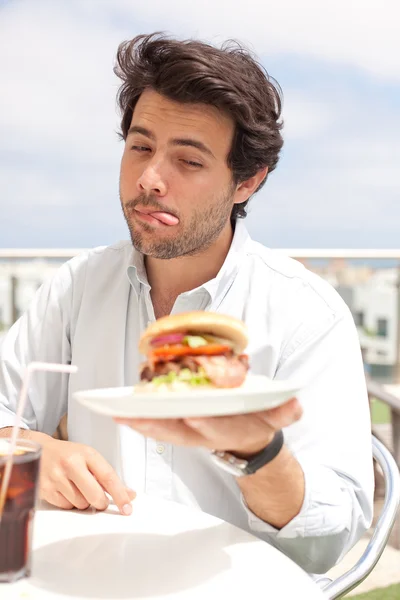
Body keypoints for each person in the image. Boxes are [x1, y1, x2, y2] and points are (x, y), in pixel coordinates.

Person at [0, 33, 373, 576]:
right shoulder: (78, 286)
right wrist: (32, 448)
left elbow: (329, 544)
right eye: (141, 147)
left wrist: (257, 453)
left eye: (189, 161)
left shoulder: (306, 314)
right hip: (89, 578)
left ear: (246, 182)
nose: (150, 179)